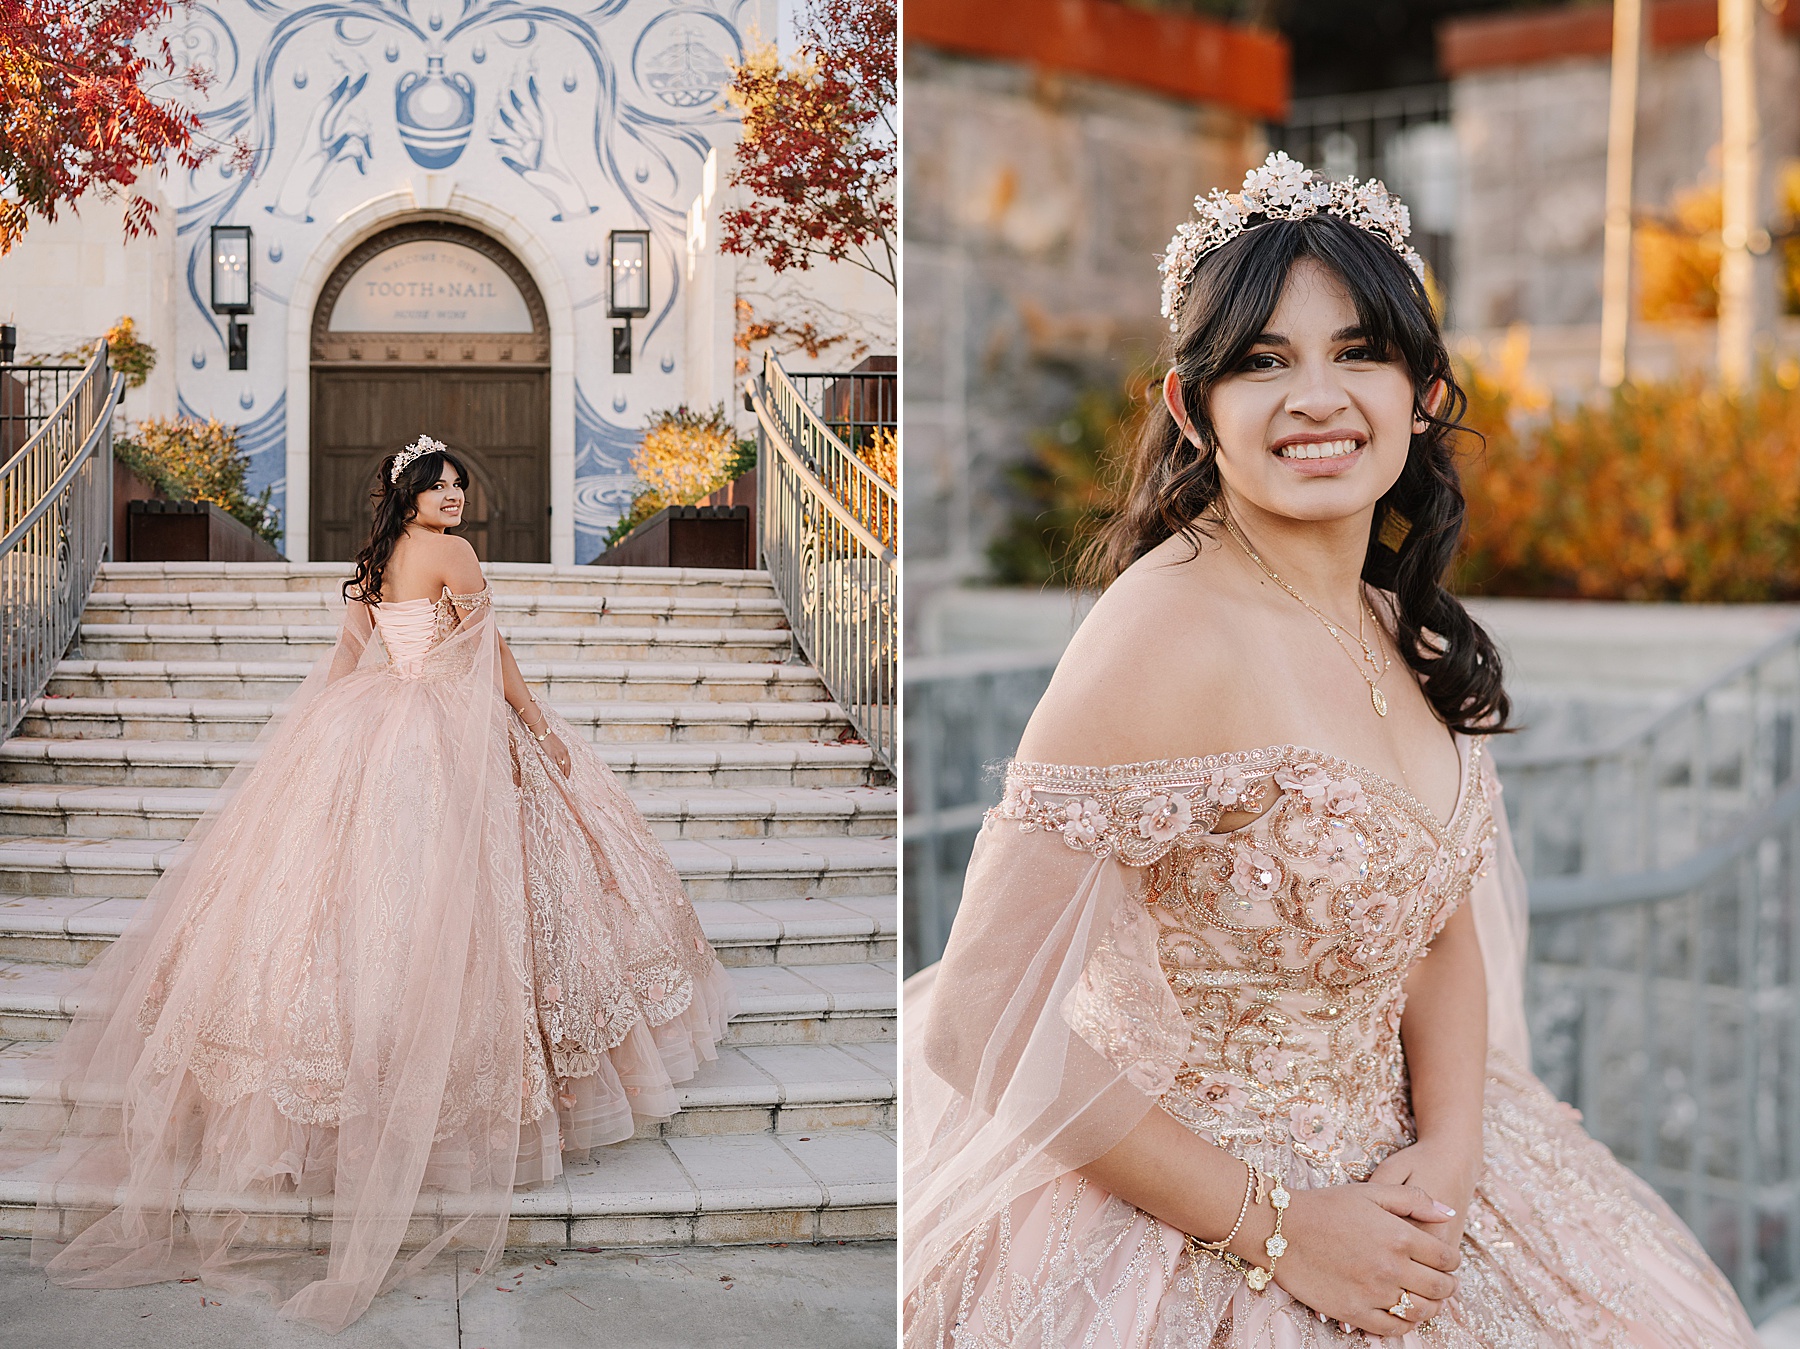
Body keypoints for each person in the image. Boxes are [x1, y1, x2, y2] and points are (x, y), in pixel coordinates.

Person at [901, 155, 1758, 1346]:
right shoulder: (1162, 634)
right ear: (1195, 409)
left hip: (1418, 1174)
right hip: (1197, 1217)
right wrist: (1284, 1228)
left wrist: (1451, 1149)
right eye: (1264, 360)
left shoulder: (1396, 621)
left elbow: (1440, 929)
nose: (1317, 396)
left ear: (1422, 391)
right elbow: (979, 1017)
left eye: (1358, 352)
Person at [2, 436, 735, 1332]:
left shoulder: (375, 561)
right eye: (440, 484)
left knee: (356, 905)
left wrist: (312, 744)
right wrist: (538, 729)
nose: (455, 496)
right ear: (411, 493)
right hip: (432, 733)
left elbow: (348, 660)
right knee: (458, 899)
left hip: (374, 724)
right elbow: (489, 658)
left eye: (461, 484)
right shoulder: (454, 556)